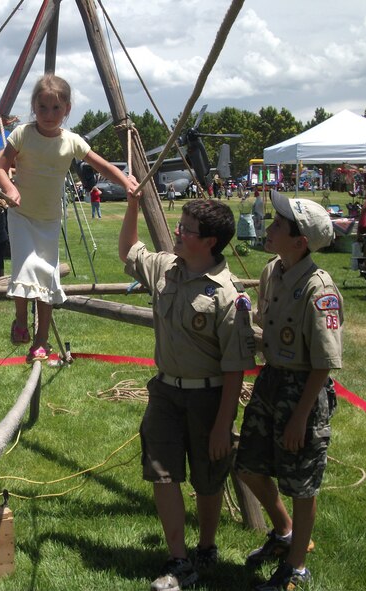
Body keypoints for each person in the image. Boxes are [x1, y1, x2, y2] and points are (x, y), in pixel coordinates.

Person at [118, 198, 256, 591]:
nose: (178, 231)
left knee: (208, 479)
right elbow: (129, 250)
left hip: (209, 399)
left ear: (209, 241)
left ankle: (207, 546)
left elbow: (234, 368)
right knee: (162, 473)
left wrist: (222, 426)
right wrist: (132, 205)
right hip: (165, 392)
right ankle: (178, 557)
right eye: (179, 225)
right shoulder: (165, 267)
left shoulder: (229, 296)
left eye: (187, 229)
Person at [235, 193, 341, 591]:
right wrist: (248, 312)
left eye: (279, 224)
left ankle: (296, 566)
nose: (270, 227)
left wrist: (301, 415)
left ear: (300, 241)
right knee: (246, 463)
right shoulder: (273, 271)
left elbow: (324, 361)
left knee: (301, 482)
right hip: (271, 379)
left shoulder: (320, 290)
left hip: (303, 389)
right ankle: (283, 532)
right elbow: (267, 319)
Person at [0, 74, 139, 361]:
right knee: (24, 268)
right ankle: (21, 321)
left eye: (56, 109)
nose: (49, 115)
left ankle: (42, 339)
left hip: (48, 219)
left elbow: (103, 165)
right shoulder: (22, 134)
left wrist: (125, 181)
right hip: (21, 214)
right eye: (43, 108)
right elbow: (0, 168)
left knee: (47, 276)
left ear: (68, 109)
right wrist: (9, 188)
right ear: (34, 106)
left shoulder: (72, 141)